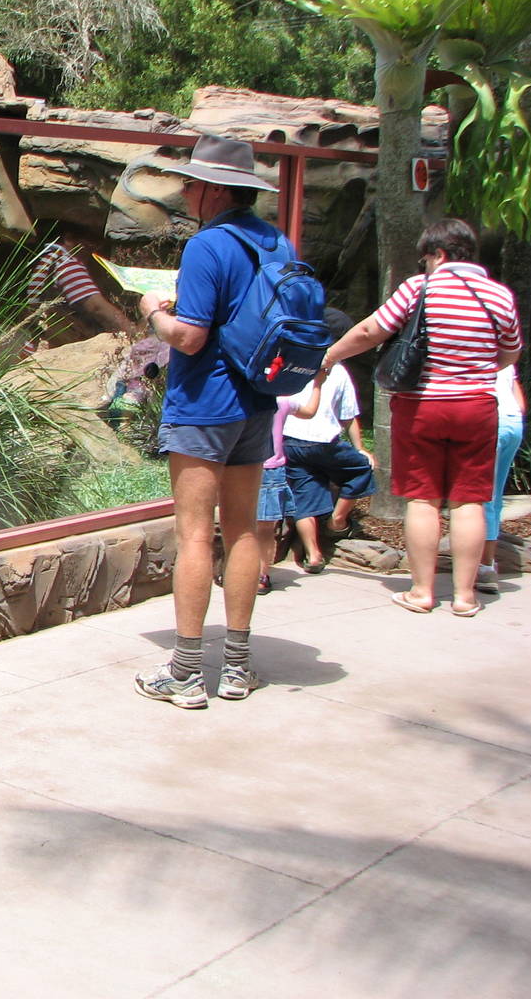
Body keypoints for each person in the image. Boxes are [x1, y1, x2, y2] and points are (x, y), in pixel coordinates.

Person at [133, 133, 284, 707]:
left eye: (193, 183)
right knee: (244, 528)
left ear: (216, 191)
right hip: (256, 403)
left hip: (205, 406)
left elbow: (190, 338)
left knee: (195, 533)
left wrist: (153, 314)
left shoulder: (208, 246)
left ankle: (188, 672)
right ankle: (240, 667)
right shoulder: (276, 242)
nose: (187, 191)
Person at [322, 218, 522, 617]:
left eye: (425, 258)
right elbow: (510, 353)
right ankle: (465, 597)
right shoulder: (499, 296)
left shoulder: (421, 289)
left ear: (440, 255)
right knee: (468, 502)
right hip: (477, 408)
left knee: (424, 499)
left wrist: (330, 356)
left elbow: (370, 331)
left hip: (422, 407)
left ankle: (422, 592)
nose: (424, 265)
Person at [281, 311, 376, 573]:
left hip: (290, 443)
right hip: (323, 443)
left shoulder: (291, 364)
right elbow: (349, 416)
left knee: (304, 495)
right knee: (361, 470)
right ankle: (337, 521)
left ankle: (313, 556)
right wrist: (360, 449)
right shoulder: (337, 370)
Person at [257, 380, 324, 594]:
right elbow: (310, 412)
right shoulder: (283, 400)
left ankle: (241, 572)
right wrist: (318, 384)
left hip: (244, 467)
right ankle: (261, 575)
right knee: (266, 530)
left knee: (241, 526)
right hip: (271, 471)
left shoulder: (244, 398)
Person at [478, 363, 526, 594]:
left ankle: (486, 568)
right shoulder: (503, 351)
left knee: (482, 496)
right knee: (494, 496)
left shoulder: (476, 348)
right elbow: (518, 396)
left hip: (490, 419)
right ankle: (486, 562)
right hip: (513, 421)